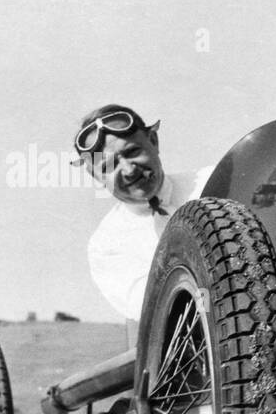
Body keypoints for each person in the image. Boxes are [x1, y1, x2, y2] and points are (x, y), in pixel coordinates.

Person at [74, 104, 213, 325]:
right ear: (96, 177)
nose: (129, 170)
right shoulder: (106, 246)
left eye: (132, 152)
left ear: (154, 141)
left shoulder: (211, 181)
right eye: (109, 166)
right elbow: (158, 309)